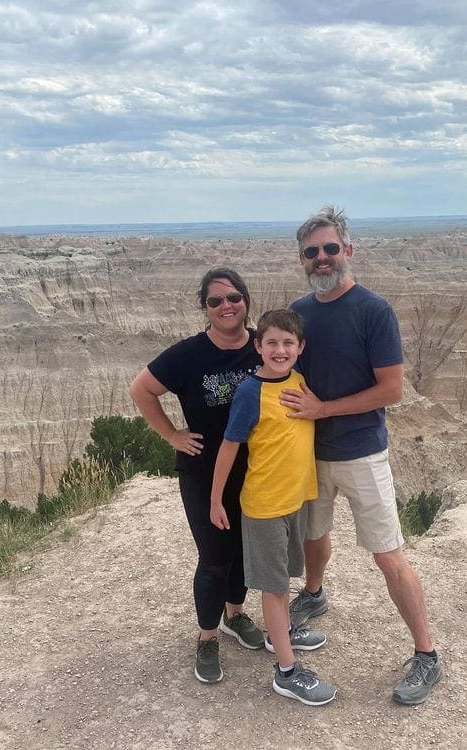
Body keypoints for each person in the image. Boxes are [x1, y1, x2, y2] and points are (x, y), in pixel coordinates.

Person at [280, 205, 443, 705]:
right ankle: (313, 593)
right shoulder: (298, 313)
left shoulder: (374, 311)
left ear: (348, 251)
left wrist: (323, 408)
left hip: (360, 452)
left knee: (388, 554)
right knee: (314, 534)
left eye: (331, 249)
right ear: (303, 260)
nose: (323, 258)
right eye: (313, 252)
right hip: (309, 452)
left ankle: (427, 655)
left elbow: (391, 389)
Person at [129, 268, 264, 684]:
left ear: (245, 299)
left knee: (243, 551)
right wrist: (172, 434)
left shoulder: (263, 344)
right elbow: (141, 390)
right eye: (215, 300)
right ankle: (207, 637)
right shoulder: (188, 354)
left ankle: (233, 615)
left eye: (233, 297)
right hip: (204, 473)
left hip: (255, 471)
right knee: (214, 558)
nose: (227, 306)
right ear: (204, 308)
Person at [210, 309, 338, 706]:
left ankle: (278, 634)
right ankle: (286, 671)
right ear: (258, 347)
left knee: (285, 577)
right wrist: (215, 498)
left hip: (296, 500)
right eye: (271, 343)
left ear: (300, 348)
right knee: (275, 588)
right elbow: (230, 445)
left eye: (288, 343)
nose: (279, 350)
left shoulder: (300, 382)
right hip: (265, 506)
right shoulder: (251, 392)